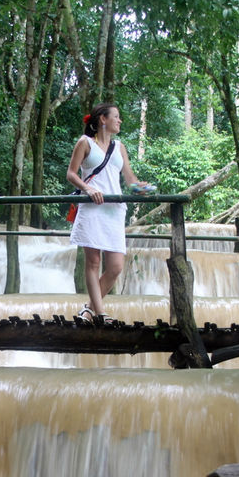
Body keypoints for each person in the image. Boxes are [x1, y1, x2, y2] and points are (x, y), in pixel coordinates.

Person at [65, 103, 152, 324]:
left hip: (114, 210)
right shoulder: (85, 143)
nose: (119, 120)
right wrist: (88, 188)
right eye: (116, 116)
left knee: (115, 267)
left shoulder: (119, 147)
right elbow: (71, 174)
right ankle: (101, 314)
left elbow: (129, 178)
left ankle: (88, 310)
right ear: (103, 119)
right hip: (92, 207)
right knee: (93, 262)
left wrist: (139, 188)